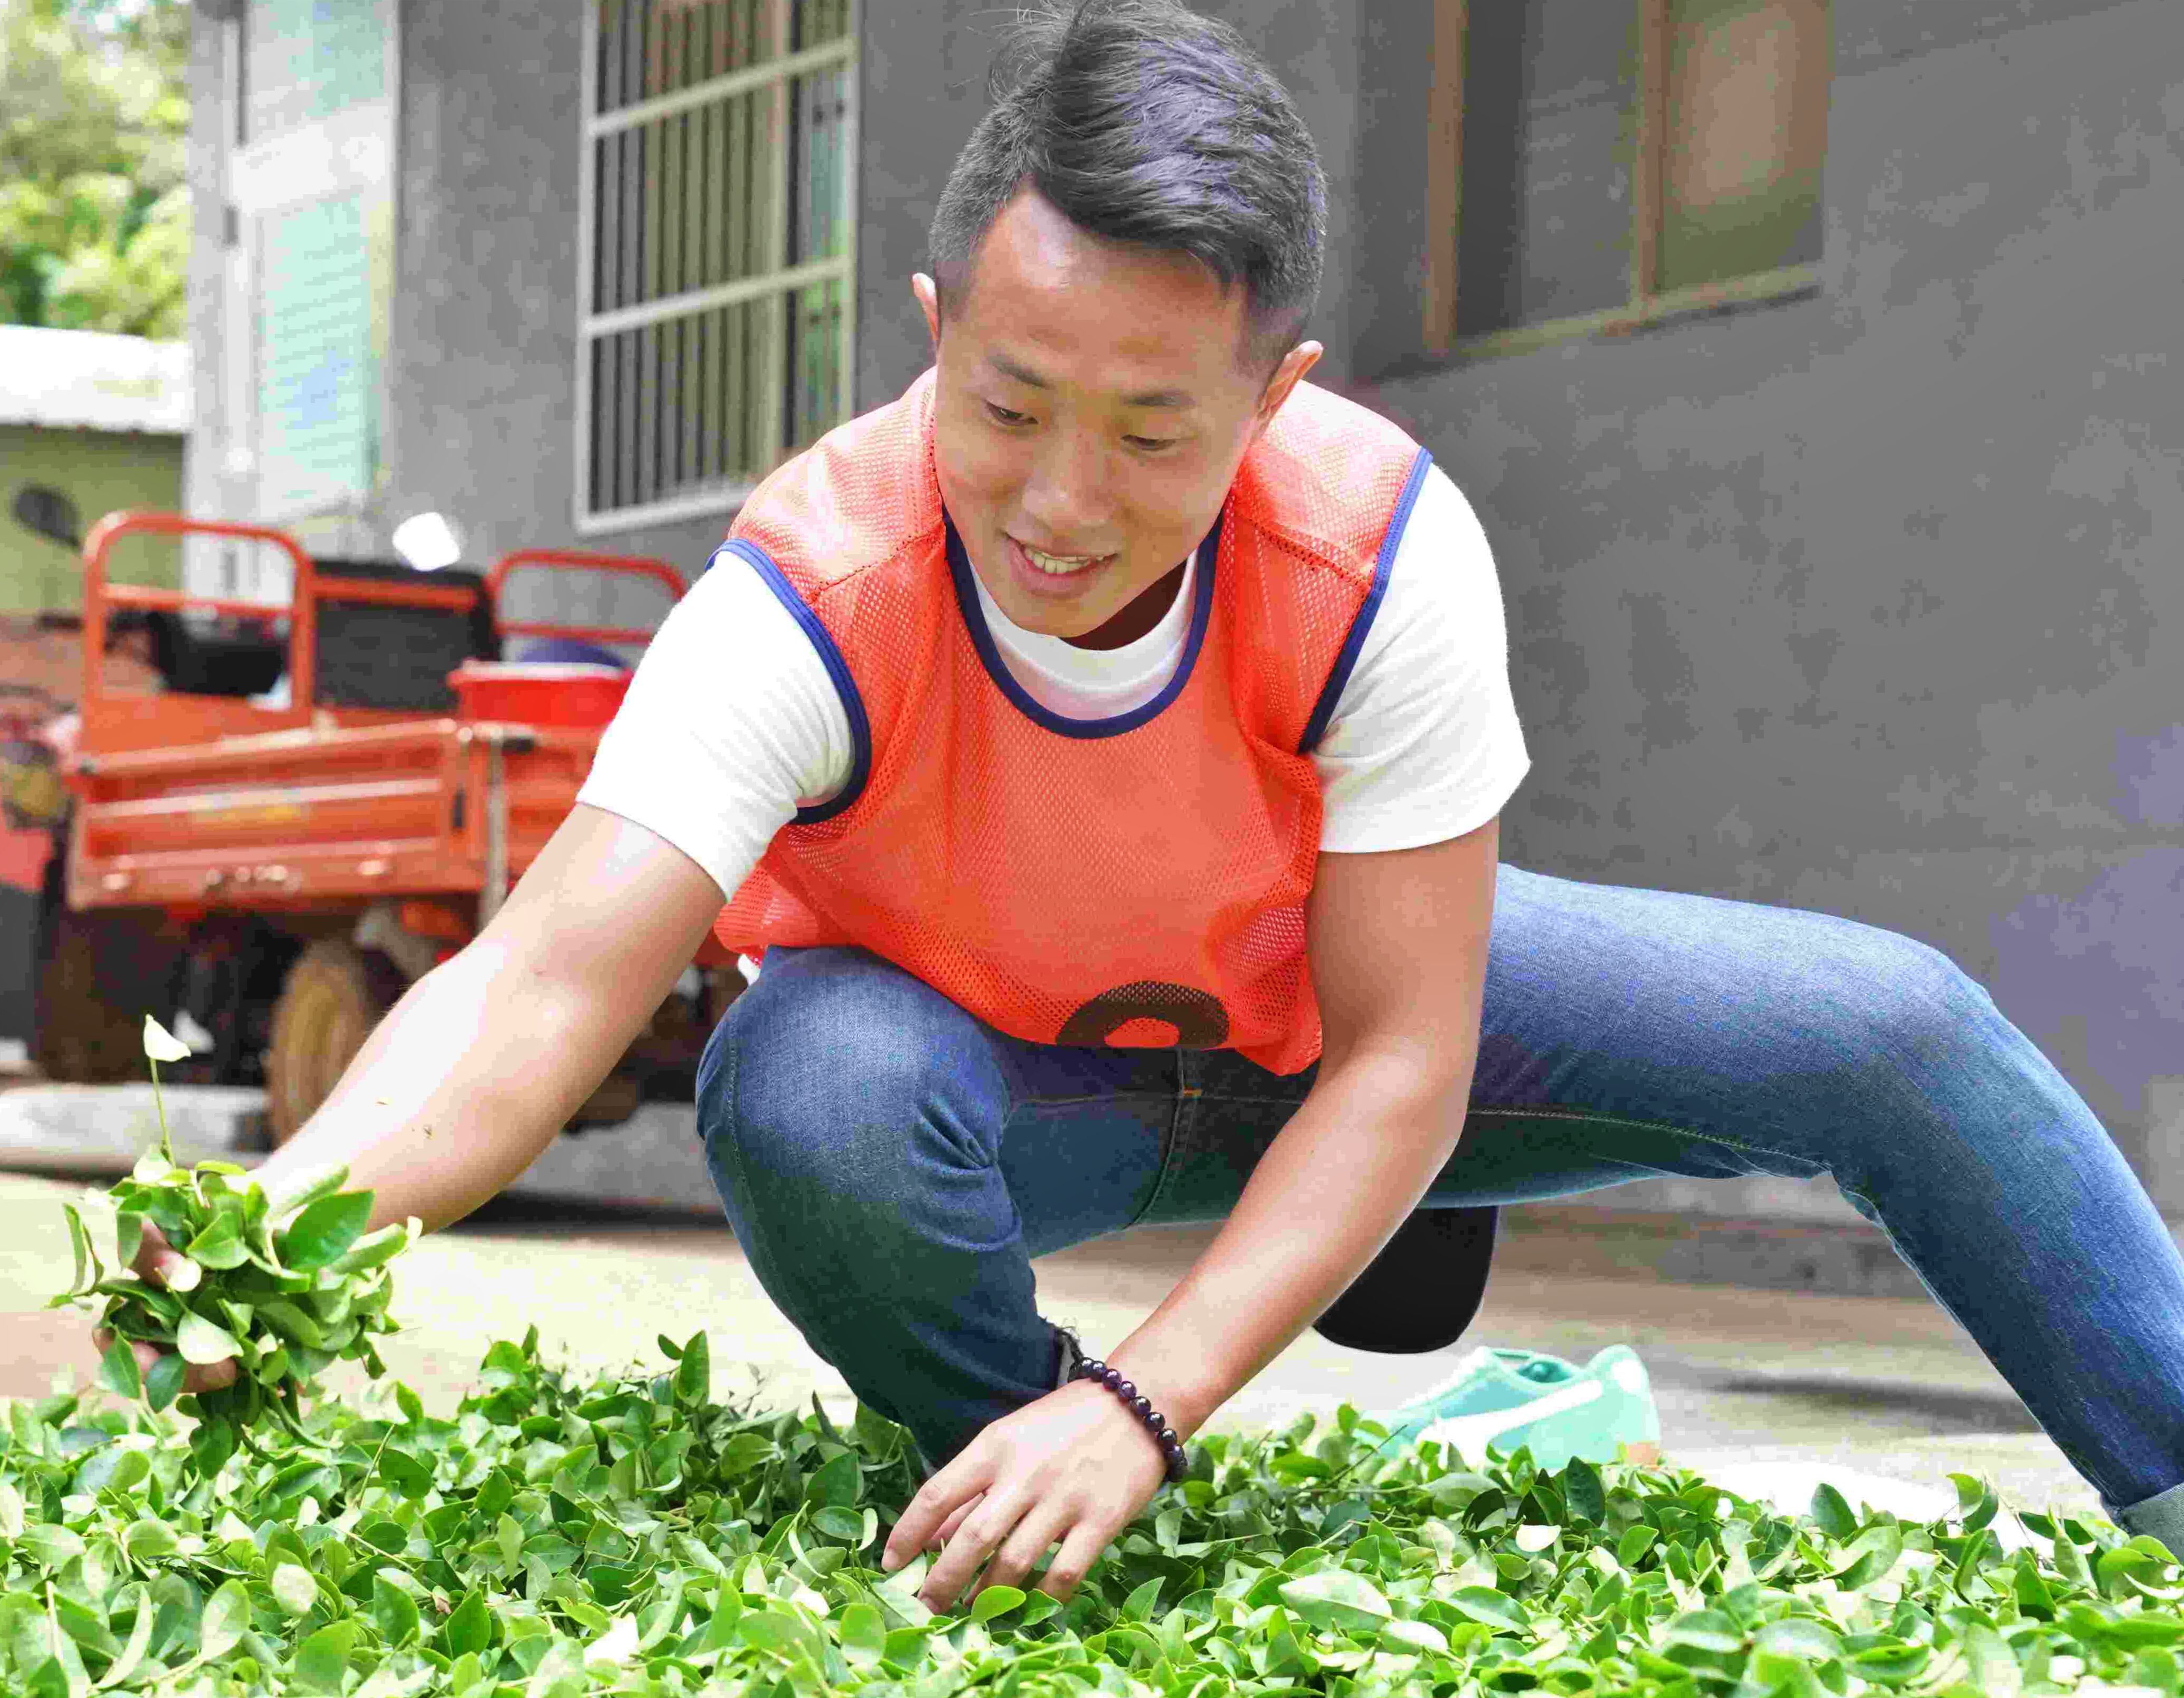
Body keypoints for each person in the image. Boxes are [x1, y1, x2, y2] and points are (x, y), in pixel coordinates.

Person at [124, 0, 2184, 1607]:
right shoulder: (814, 589)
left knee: (1895, 1029)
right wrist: (258, 1234)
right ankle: (1028, 1480)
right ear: (937, 331)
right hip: (1013, 1094)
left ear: (1275, 399)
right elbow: (538, 984)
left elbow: (1411, 1049)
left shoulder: (1376, 550)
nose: (1060, 501)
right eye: (1009, 406)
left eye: (1149, 432)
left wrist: (1158, 1385)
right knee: (805, 1084)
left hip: (1341, 1043)